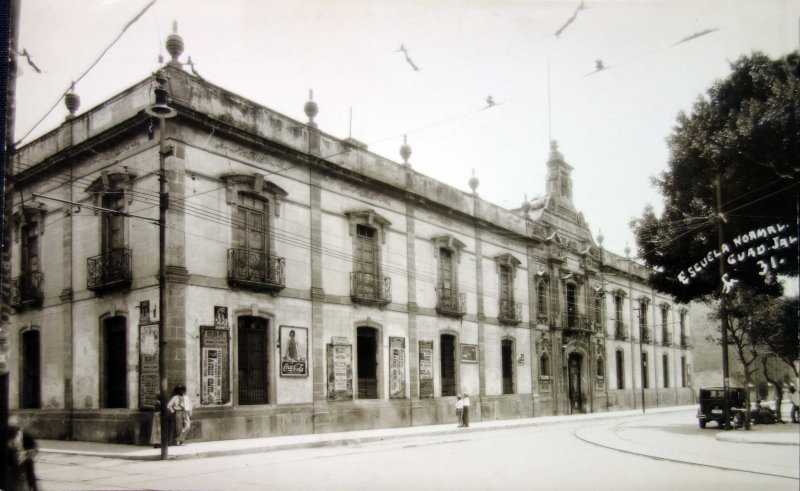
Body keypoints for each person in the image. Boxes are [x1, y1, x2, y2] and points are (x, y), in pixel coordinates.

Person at [5, 414, 38, 491]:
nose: (13, 429)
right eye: (11, 426)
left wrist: (25, 454)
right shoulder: (8, 436)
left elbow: (34, 449)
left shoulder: (26, 436)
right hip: (12, 468)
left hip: (25, 466)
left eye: (15, 426)